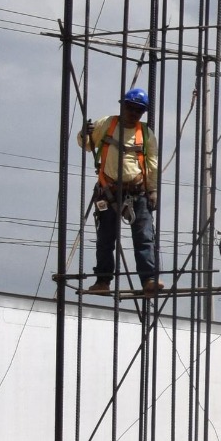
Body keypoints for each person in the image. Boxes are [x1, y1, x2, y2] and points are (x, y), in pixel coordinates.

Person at [78, 86, 162, 297]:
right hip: (109, 190)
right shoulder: (107, 124)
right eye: (131, 108)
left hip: (137, 192)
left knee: (144, 237)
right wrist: (84, 134)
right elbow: (87, 145)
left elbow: (152, 165)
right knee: (105, 239)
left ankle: (149, 279)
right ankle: (103, 281)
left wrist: (153, 191)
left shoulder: (145, 134)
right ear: (123, 106)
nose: (134, 113)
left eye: (138, 111)